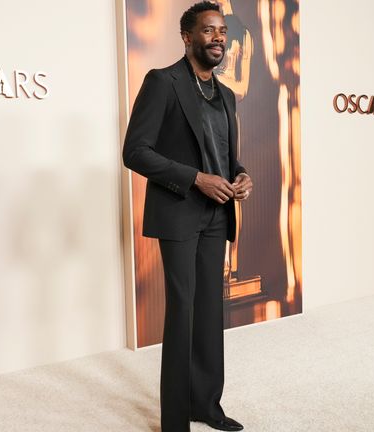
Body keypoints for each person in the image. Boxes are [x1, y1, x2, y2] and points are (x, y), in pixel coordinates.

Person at [122, 2, 252, 431]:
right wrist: (195, 178)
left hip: (218, 213)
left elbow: (226, 156)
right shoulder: (163, 82)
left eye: (223, 30)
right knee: (182, 311)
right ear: (187, 37)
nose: (219, 37)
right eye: (209, 30)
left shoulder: (226, 94)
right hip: (179, 212)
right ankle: (175, 420)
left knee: (209, 312)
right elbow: (135, 152)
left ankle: (206, 406)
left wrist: (241, 175)